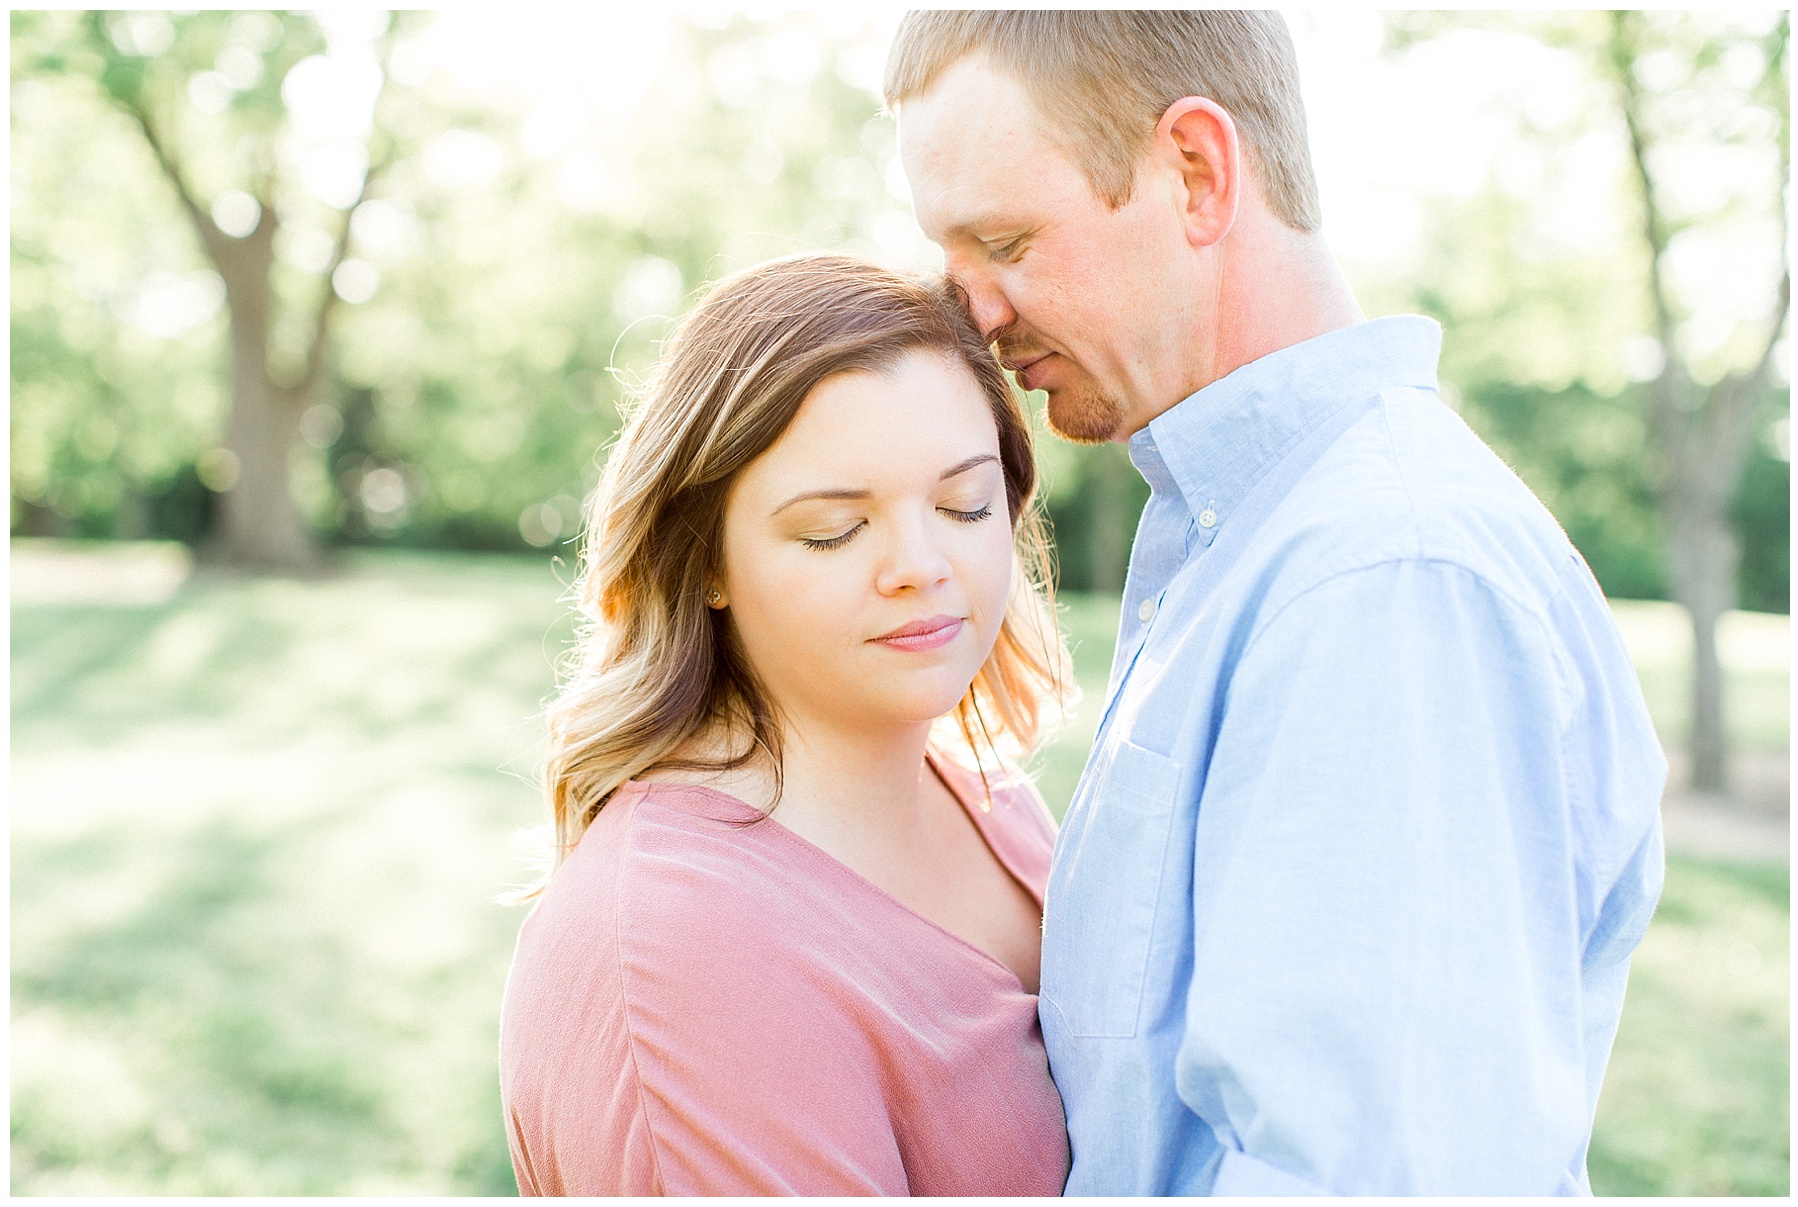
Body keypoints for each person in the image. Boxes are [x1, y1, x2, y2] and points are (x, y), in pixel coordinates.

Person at [886, 10, 1666, 1196]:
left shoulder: (1381, 580)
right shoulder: (1251, 537)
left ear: (1196, 173)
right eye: (955, 263)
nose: (973, 317)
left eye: (1008, 241)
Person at [497, 253, 1075, 1195]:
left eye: (962, 504)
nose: (920, 564)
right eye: (832, 530)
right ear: (707, 561)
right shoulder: (678, 956)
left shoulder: (981, 786)